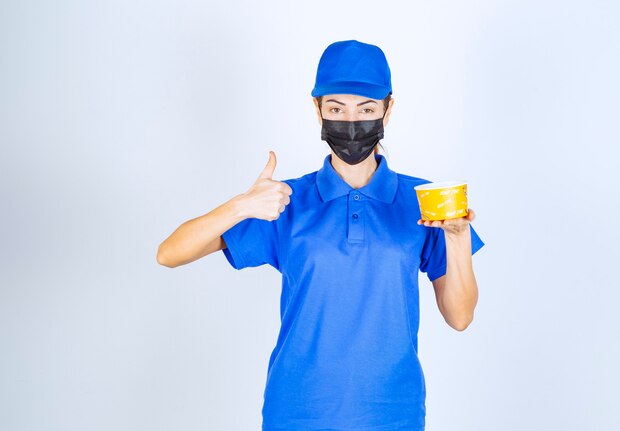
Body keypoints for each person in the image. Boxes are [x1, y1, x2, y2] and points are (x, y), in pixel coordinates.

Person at [157, 39, 485, 431]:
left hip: (392, 413)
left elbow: (460, 317)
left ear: (387, 109)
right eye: (336, 108)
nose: (351, 122)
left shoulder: (423, 202)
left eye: (366, 108)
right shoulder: (284, 201)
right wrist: (242, 204)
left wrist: (458, 238)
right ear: (318, 110)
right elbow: (170, 253)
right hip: (297, 412)